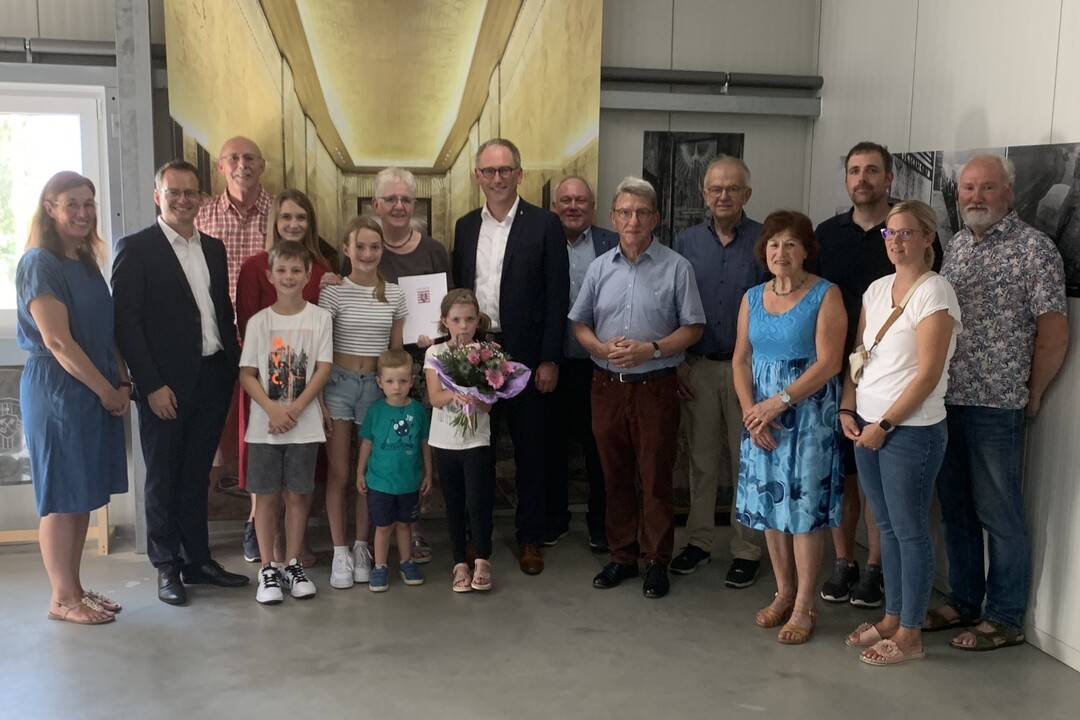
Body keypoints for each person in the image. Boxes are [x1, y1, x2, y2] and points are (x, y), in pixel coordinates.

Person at [929, 154, 1068, 652]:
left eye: (987, 188)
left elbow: (1054, 332)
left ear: (1008, 195)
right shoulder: (957, 247)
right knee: (957, 511)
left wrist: (1032, 393)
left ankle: (1004, 617)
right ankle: (965, 601)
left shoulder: (1036, 250)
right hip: (946, 401)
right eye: (968, 188)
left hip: (996, 406)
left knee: (999, 513)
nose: (975, 197)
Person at [113, 160, 248, 606]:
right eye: (174, 192)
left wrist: (231, 368)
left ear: (201, 198)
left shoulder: (213, 248)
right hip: (163, 387)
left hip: (213, 375)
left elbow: (218, 314)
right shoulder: (136, 248)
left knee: (197, 476)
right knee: (163, 477)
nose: (183, 199)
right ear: (158, 196)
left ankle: (198, 560)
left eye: (191, 192)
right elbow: (127, 325)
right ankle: (166, 565)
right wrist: (149, 384)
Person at [570, 176, 705, 600]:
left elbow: (694, 327)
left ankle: (656, 561)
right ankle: (623, 555)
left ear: (655, 219)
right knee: (614, 476)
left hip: (655, 387)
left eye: (642, 212)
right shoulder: (598, 267)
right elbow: (579, 323)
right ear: (613, 217)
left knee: (655, 476)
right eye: (625, 212)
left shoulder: (677, 267)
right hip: (606, 385)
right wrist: (599, 348)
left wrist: (653, 349)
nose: (633, 220)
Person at [839, 201, 962, 665]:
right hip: (866, 428)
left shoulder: (937, 292)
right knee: (887, 528)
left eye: (907, 233)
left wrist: (886, 424)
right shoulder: (876, 289)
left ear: (929, 238)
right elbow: (858, 355)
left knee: (910, 532)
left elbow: (928, 374)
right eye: (891, 234)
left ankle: (911, 633)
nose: (897, 242)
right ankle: (892, 616)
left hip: (910, 431)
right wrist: (849, 407)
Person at [452, 138, 570, 575]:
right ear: (478, 176)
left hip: (526, 355)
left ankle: (529, 537)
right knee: (476, 451)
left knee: (531, 450)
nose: (497, 178)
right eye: (488, 171)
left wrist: (550, 358)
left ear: (520, 174)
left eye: (505, 170)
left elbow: (559, 296)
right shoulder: (465, 226)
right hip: (476, 354)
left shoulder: (544, 225)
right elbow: (457, 293)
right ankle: (476, 542)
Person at [16, 171, 129, 625]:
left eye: (89, 204)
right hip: (60, 389)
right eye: (72, 204)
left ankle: (75, 589)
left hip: (95, 387)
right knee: (63, 495)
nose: (83, 213)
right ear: (50, 206)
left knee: (82, 493)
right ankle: (62, 598)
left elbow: (106, 330)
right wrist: (105, 391)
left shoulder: (84, 260)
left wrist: (122, 382)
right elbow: (58, 342)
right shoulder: (38, 262)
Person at [734, 210, 846, 644]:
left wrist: (776, 404)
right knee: (769, 509)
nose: (781, 252)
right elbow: (741, 359)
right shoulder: (752, 297)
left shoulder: (825, 294)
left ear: (806, 251)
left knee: (802, 512)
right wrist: (751, 412)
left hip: (806, 418)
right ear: (764, 249)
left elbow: (829, 363)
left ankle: (804, 605)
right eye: (774, 243)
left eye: (791, 244)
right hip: (761, 419)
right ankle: (782, 593)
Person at [672, 155, 768, 587]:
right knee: (702, 461)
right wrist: (675, 364)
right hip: (699, 367)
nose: (724, 195)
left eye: (732, 188)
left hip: (749, 372)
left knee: (747, 460)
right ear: (704, 194)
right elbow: (671, 306)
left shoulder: (767, 240)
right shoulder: (686, 243)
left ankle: (747, 549)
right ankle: (699, 541)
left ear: (747, 194)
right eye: (716, 188)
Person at [235, 189, 337, 565]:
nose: (294, 224)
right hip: (265, 392)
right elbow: (248, 335)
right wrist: (274, 406)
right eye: (286, 217)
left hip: (305, 398)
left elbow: (322, 355)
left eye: (301, 218)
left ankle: (294, 551)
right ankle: (269, 551)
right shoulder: (254, 267)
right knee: (266, 481)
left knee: (300, 482)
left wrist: (309, 403)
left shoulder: (322, 269)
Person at [319, 216, 407, 589]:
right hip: (337, 384)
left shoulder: (395, 294)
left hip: (376, 389)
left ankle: (361, 546)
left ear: (382, 249)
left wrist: (398, 396)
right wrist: (319, 399)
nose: (368, 253)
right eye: (360, 246)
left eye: (374, 246)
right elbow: (320, 346)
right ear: (347, 249)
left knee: (370, 474)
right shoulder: (333, 291)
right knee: (340, 473)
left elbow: (397, 350)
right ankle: (339, 549)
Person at [373, 166, 453, 564]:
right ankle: (378, 532)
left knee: (416, 446)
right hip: (381, 363)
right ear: (376, 205)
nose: (399, 206)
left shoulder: (435, 250)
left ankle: (414, 527)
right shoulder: (367, 247)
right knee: (383, 448)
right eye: (391, 199)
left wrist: (434, 335)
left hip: (423, 367)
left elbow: (449, 309)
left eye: (406, 199)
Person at [195, 135, 271, 550]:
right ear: (221, 167)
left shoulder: (280, 214)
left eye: (249, 158)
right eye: (233, 158)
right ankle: (196, 531)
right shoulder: (201, 215)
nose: (242, 164)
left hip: (268, 349)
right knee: (210, 440)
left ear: (262, 166)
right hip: (214, 345)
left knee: (258, 438)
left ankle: (255, 524)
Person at [547, 175, 618, 551]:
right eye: (565, 200)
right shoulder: (542, 240)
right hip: (555, 363)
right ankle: (555, 519)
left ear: (593, 206)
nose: (573, 206)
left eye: (581, 200)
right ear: (555, 206)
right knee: (553, 447)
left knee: (600, 447)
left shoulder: (612, 242)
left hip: (600, 365)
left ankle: (600, 524)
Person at [424, 289, 497, 591]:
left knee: (478, 500)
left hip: (477, 438)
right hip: (445, 439)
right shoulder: (435, 353)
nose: (464, 326)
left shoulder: (488, 352)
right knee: (454, 502)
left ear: (478, 320)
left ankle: (482, 558)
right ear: (445, 322)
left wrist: (477, 397)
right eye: (457, 320)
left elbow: (490, 400)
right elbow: (434, 396)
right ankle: (458, 563)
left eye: (469, 319)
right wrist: (454, 395)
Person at [356, 350, 433, 592]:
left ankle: (406, 562)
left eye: (402, 381)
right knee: (383, 526)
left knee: (404, 525)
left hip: (409, 483)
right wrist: (360, 472)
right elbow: (367, 443)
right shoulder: (376, 411)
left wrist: (429, 473)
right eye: (389, 381)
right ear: (379, 382)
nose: (396, 387)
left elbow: (425, 443)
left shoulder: (419, 411)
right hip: (379, 484)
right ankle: (379, 567)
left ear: (412, 380)